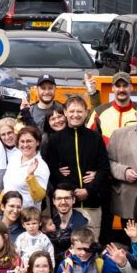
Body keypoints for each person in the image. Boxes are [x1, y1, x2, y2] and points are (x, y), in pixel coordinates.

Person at [45, 95, 109, 236]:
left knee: (90, 246)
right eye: (72, 111)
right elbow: (52, 170)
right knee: (64, 245)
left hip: (92, 203)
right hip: (65, 205)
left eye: (79, 111)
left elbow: (104, 168)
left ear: (86, 112)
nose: (75, 115)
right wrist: (72, 191)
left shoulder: (96, 138)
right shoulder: (55, 140)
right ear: (65, 112)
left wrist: (89, 190)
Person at [87, 72, 137, 144]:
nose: (121, 89)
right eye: (118, 86)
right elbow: (89, 140)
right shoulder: (99, 112)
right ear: (112, 88)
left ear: (131, 87)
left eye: (125, 86)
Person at [55, 228, 123, 273]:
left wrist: (103, 252)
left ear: (93, 247)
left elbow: (117, 271)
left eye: (87, 249)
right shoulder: (65, 265)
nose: (84, 253)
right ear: (72, 248)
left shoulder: (99, 262)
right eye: (79, 249)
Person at [47, 185, 88, 262]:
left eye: (67, 198)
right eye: (59, 198)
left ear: (73, 200)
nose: (63, 202)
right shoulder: (52, 223)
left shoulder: (82, 223)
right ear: (54, 201)